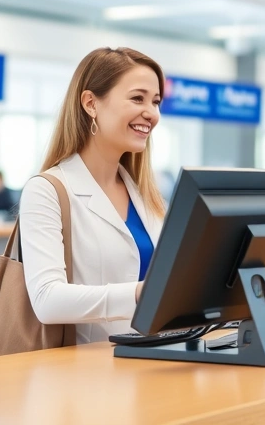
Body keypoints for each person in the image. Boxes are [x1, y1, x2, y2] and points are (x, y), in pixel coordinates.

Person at [19, 47, 166, 344]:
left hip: (151, 361)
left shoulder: (145, 195)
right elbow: (47, 299)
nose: (152, 113)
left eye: (156, 101)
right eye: (138, 98)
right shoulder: (46, 190)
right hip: (85, 375)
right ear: (90, 103)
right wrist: (140, 292)